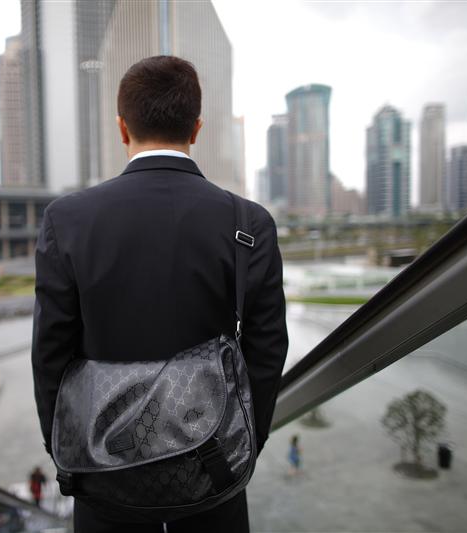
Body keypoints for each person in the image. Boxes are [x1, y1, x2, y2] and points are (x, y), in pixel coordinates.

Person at [32, 55, 289, 533]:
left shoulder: (66, 220)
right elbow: (268, 349)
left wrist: (64, 445)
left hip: (102, 469)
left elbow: (50, 353)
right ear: (196, 128)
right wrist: (244, 441)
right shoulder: (248, 224)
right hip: (213, 469)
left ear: (122, 128)